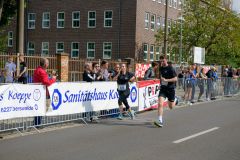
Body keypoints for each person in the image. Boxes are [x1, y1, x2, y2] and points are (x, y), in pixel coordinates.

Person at [154, 55, 178, 127]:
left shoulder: (171, 68)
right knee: (160, 103)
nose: (162, 62)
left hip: (170, 89)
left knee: (171, 107)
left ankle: (175, 99)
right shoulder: (161, 69)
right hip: (163, 88)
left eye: (163, 61)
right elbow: (162, 78)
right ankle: (160, 121)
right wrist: (160, 84)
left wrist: (166, 80)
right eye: (161, 61)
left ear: (166, 60)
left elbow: (175, 79)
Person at [33, 58, 56, 127]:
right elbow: (47, 82)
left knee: (39, 108)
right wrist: (53, 79)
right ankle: (37, 124)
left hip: (38, 91)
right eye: (48, 63)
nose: (48, 64)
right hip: (40, 92)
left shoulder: (39, 69)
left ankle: (37, 123)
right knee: (40, 108)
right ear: (45, 65)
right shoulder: (41, 71)